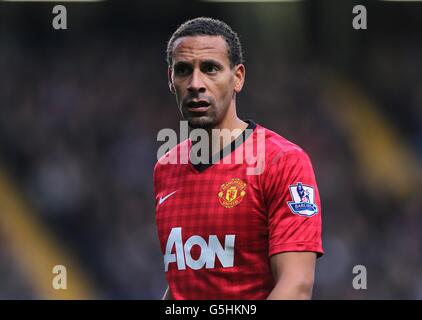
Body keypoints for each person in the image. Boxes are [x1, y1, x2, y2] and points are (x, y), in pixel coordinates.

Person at [153, 17, 323, 300]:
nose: (196, 83)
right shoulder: (165, 169)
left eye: (210, 69)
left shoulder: (283, 162)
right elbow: (185, 284)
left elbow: (296, 286)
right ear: (171, 80)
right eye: (184, 71)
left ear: (238, 78)